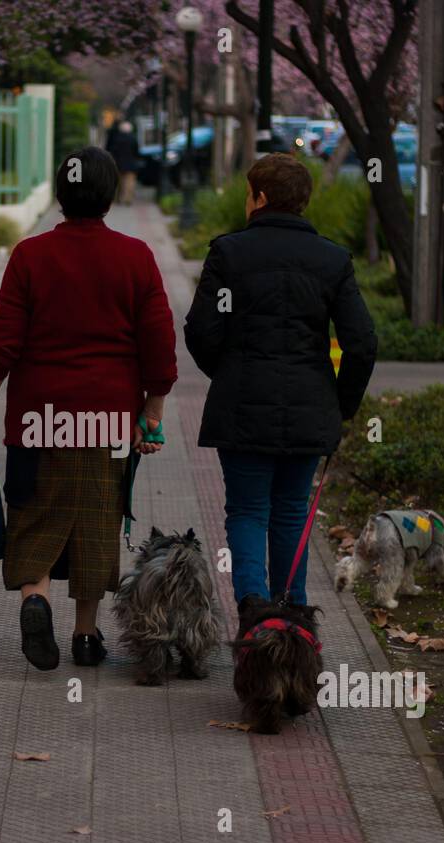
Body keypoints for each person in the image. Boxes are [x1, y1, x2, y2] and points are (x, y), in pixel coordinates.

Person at [0, 146, 176, 671]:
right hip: (106, 419)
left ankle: (34, 601)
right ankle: (86, 635)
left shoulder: (30, 256)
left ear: (61, 194)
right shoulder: (135, 257)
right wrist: (152, 410)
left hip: (38, 418)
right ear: (108, 196)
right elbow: (159, 344)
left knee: (35, 516)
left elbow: (2, 343)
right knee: (97, 520)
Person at [183, 153, 376, 612]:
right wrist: (341, 404)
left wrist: (229, 373)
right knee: (292, 512)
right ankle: (292, 616)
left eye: (249, 193)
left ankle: (253, 608)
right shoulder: (332, 260)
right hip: (311, 407)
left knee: (248, 511)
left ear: (261, 198)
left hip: (243, 405)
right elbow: (362, 343)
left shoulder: (228, 253)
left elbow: (200, 331)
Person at [104, 119, 142, 205]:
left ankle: (118, 199)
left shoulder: (117, 138)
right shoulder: (133, 139)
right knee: (129, 182)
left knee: (118, 182)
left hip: (118, 163)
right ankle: (127, 199)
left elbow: (111, 150)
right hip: (131, 163)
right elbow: (136, 151)